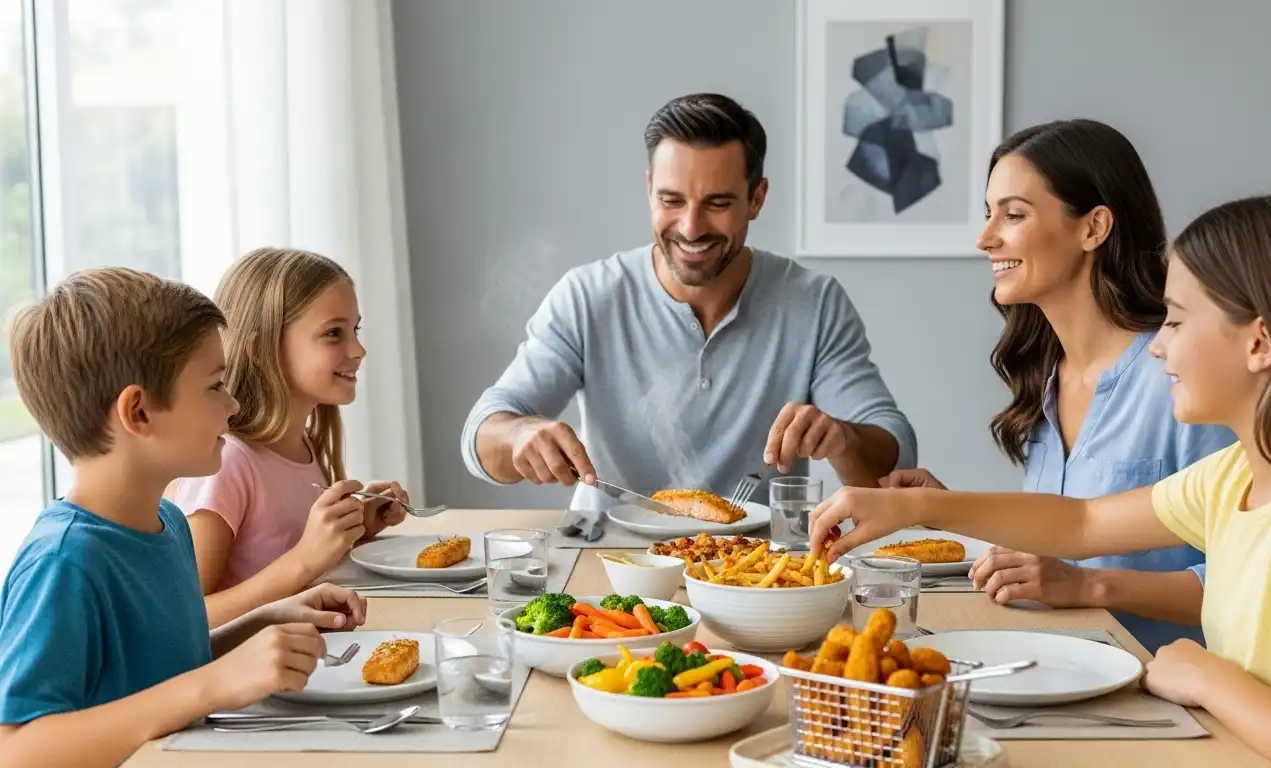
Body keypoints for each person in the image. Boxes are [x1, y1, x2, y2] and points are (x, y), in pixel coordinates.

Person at [812, 190, 1271, 767]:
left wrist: (1208, 676)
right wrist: (917, 509)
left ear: (1260, 343)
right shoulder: (1235, 475)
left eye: (1174, 323)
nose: (1155, 348)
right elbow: (1082, 521)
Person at [463, 93, 916, 509]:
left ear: (756, 199)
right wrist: (519, 433)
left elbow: (891, 462)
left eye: (717, 203)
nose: (691, 227)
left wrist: (842, 439)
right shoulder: (587, 297)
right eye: (671, 200)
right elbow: (480, 435)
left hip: (755, 575)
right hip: (609, 566)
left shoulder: (813, 303)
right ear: (648, 190)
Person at [884, 120, 1234, 651]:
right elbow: (1062, 550)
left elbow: (1246, 579)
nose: (985, 238)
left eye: (1014, 215)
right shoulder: (1047, 378)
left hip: (1166, 696)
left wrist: (1087, 586)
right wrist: (952, 513)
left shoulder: (1181, 380)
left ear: (1093, 227)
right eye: (988, 213)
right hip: (1058, 669)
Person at [0, 267, 369, 767]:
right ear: (139, 414)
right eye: (215, 386)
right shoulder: (66, 562)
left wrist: (263, 622)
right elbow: (17, 749)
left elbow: (163, 669)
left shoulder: (168, 523)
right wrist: (212, 685)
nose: (234, 403)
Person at [170, 248, 411, 629]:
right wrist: (306, 559)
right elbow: (187, 619)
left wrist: (354, 528)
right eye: (334, 333)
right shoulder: (226, 462)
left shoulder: (307, 446)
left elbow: (285, 560)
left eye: (355, 330)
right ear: (260, 349)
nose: (359, 350)